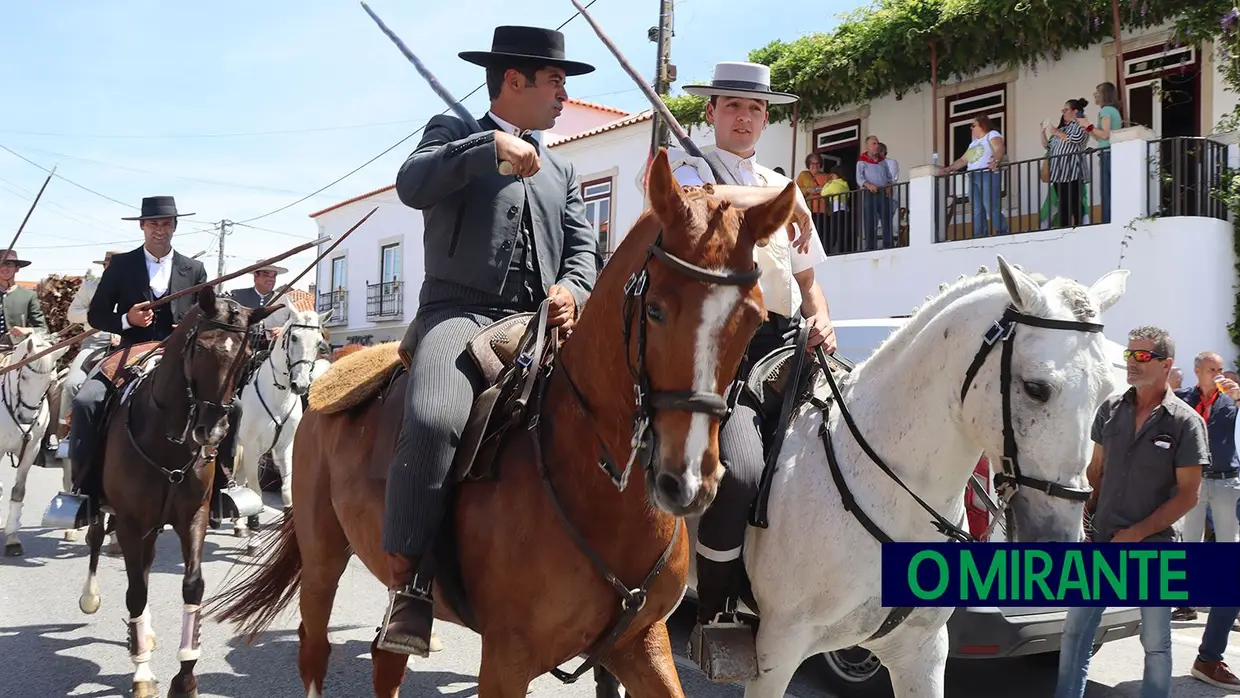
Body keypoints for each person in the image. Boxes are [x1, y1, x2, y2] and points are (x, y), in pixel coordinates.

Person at [377, 25, 599, 657]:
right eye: (556, 81)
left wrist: (573, 291)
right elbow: (412, 183)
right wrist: (487, 148)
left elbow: (584, 249)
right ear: (513, 81)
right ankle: (409, 585)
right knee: (435, 415)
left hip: (542, 324)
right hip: (460, 317)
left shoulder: (562, 167)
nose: (563, 95)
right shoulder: (452, 133)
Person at [661, 60, 836, 679]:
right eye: (732, 106)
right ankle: (718, 610)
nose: (744, 117)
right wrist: (779, 201)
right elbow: (691, 204)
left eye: (756, 109)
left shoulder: (780, 183)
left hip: (792, 344)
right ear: (710, 112)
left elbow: (809, 281)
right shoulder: (688, 166)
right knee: (741, 475)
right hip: (728, 346)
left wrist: (823, 319)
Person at [1055, 325, 1208, 698]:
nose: (1132, 363)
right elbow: (1096, 473)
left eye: (1143, 356)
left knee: (1155, 643)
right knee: (1075, 634)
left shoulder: (1185, 422)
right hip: (1103, 544)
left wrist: (1137, 533)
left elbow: (1188, 496)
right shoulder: (1109, 410)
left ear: (1166, 363)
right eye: (1129, 354)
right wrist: (1087, 524)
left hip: (1154, 549)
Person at [68, 196, 209, 503]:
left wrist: (189, 329)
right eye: (154, 224)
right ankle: (82, 487)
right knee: (85, 401)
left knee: (231, 407)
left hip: (180, 356)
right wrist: (126, 319)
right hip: (131, 351)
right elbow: (96, 315)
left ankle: (222, 487)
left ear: (175, 226)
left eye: (166, 223)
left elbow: (205, 315)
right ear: (143, 227)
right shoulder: (121, 265)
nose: (160, 230)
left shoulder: (194, 269)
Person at [57, 251, 121, 450]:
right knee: (71, 384)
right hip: (93, 342)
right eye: (109, 264)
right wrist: (97, 315)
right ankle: (67, 434)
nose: (112, 268)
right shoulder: (90, 287)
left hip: (126, 343)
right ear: (104, 266)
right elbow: (72, 314)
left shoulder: (133, 287)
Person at [0, 249, 47, 346]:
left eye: (9, 264)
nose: (4, 268)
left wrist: (26, 330)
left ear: (17, 268)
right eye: (1, 264)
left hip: (14, 351)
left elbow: (43, 330)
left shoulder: (28, 295)